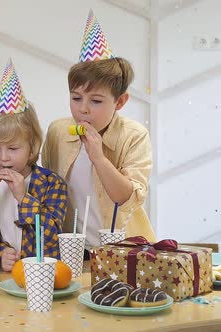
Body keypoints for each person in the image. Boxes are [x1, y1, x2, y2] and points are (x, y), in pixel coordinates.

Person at [42, 10, 156, 254]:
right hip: (71, 251)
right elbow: (48, 192)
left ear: (120, 102)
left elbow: (124, 198)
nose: (83, 109)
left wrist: (99, 158)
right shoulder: (57, 132)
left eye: (95, 101)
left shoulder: (134, 135)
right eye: (76, 97)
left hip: (124, 251)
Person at [0, 60, 67, 272]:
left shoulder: (52, 184)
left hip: (40, 278)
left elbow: (53, 242)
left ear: (32, 144)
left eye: (13, 148)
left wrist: (23, 198)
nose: (3, 158)